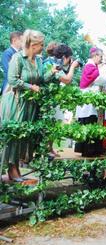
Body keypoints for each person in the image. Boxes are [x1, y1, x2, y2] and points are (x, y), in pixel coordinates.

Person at [0, 29, 55, 184]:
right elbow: (12, 80)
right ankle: (11, 169)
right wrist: (30, 87)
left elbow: (41, 78)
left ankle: (15, 166)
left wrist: (52, 72)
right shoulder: (17, 58)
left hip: (30, 104)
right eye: (41, 45)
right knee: (14, 136)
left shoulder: (38, 60)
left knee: (24, 136)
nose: (43, 47)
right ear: (32, 45)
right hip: (15, 102)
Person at [75, 47, 104, 157]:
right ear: (95, 56)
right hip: (87, 99)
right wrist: (100, 70)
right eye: (100, 57)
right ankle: (88, 151)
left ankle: (89, 150)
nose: (100, 59)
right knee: (88, 123)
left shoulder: (92, 65)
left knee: (89, 122)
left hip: (89, 99)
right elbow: (90, 79)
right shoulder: (90, 65)